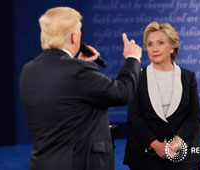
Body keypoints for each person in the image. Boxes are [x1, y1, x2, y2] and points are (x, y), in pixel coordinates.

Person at [20, 7, 142, 170]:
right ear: (74, 37)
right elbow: (122, 92)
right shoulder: (77, 71)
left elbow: (66, 101)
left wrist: (79, 63)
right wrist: (132, 59)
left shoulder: (29, 70)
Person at [124, 21, 200, 170]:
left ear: (172, 47)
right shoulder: (137, 77)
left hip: (182, 156)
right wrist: (155, 144)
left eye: (160, 43)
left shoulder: (188, 77)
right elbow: (134, 117)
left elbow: (194, 116)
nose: (154, 49)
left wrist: (178, 142)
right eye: (150, 44)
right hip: (145, 156)